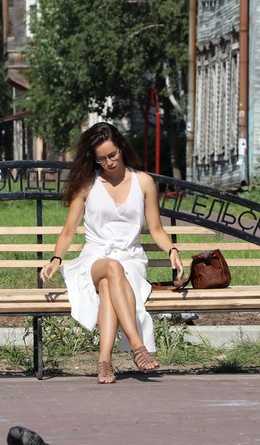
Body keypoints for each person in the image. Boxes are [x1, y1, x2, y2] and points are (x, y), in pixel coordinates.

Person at [40, 122, 184, 384]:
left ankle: (104, 362)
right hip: (94, 259)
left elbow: (156, 229)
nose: (109, 162)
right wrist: (56, 259)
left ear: (121, 148)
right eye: (101, 158)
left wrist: (172, 249)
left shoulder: (144, 182)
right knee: (110, 268)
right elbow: (69, 230)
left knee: (109, 285)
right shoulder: (87, 185)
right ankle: (137, 346)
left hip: (131, 259)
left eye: (112, 154)